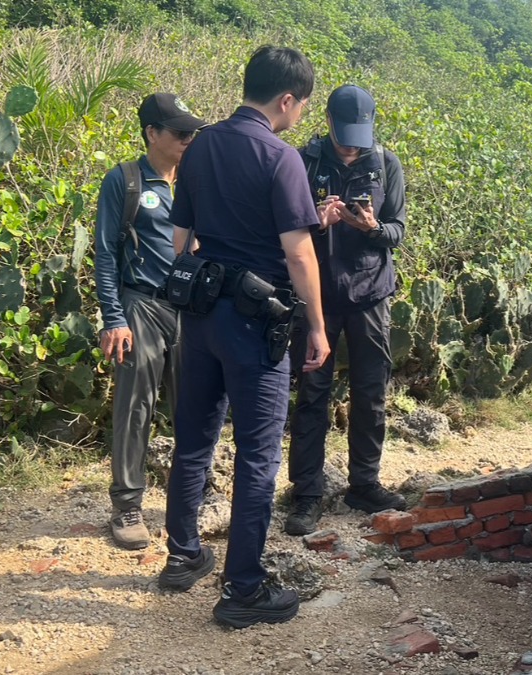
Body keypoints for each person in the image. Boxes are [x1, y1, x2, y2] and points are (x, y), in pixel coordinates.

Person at [161, 45, 330, 629]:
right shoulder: (281, 158)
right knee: (258, 452)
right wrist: (316, 326)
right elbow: (299, 251)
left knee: (194, 436)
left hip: (201, 312)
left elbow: (181, 235)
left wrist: (208, 282)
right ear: (286, 100)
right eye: (302, 105)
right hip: (256, 321)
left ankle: (183, 556)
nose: (300, 115)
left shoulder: (200, 144)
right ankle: (244, 589)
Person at [284, 84, 408, 536]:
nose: (352, 144)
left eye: (361, 135)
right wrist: (317, 221)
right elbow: (283, 227)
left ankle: (364, 483)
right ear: (329, 123)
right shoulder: (304, 161)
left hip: (371, 292)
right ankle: (307, 494)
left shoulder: (386, 163)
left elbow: (398, 230)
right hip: (317, 294)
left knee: (371, 391)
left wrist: (373, 228)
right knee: (313, 394)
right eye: (345, 135)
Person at [94, 93, 207, 550]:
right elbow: (105, 254)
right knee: (135, 407)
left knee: (196, 409)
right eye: (179, 133)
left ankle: (192, 496)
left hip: (192, 309)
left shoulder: (197, 181)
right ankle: (126, 505)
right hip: (140, 305)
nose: (187, 140)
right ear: (152, 134)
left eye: (191, 132)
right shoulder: (125, 181)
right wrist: (113, 317)